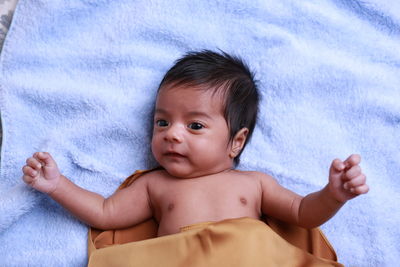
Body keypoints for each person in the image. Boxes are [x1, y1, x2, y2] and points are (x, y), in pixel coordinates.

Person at [22, 50, 369, 238]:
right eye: (162, 122)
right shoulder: (154, 185)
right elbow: (105, 213)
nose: (172, 133)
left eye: (195, 125)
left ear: (236, 142)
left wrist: (333, 195)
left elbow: (302, 214)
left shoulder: (255, 183)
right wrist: (58, 185)